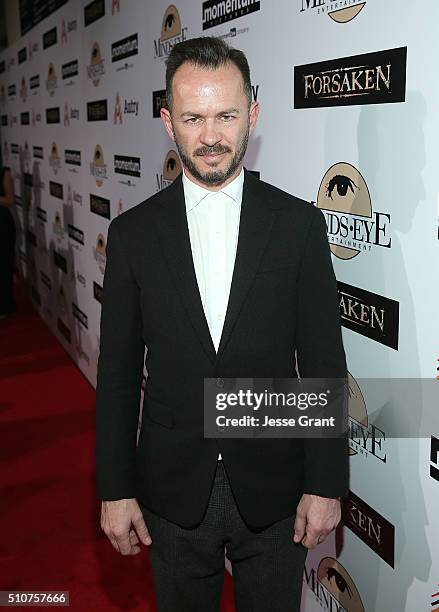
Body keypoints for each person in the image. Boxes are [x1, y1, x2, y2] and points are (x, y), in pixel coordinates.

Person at [96, 36, 348, 611]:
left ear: (253, 114)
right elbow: (115, 377)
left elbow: (323, 365)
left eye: (226, 115)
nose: (210, 136)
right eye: (193, 118)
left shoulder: (300, 227)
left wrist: (326, 481)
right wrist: (115, 490)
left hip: (276, 489)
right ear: (167, 122)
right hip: (171, 491)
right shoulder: (134, 236)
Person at [0, 153, 16, 319]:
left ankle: (5, 306)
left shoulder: (4, 172)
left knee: (3, 266)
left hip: (2, 226)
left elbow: (10, 200)